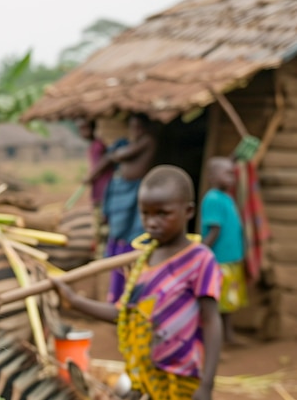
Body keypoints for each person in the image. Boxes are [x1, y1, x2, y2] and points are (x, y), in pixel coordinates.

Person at [53, 165, 223, 400]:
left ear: (189, 211)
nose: (152, 222)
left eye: (162, 214)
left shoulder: (200, 260)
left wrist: (206, 384)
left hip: (183, 378)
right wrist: (74, 300)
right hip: (144, 378)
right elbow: (122, 314)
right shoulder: (143, 261)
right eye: (145, 213)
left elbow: (212, 321)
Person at [97, 114, 158, 303]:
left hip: (135, 193)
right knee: (119, 238)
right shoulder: (131, 143)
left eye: (139, 126)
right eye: (133, 126)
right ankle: (116, 295)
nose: (136, 130)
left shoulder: (147, 141)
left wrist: (115, 153)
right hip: (124, 192)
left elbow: (121, 155)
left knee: (134, 240)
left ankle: (130, 297)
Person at [200, 156, 248, 346]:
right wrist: (200, 253)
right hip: (219, 262)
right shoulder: (212, 199)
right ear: (212, 177)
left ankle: (228, 336)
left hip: (231, 260)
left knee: (227, 304)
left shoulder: (226, 198)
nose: (232, 178)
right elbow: (214, 230)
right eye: (227, 173)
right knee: (216, 306)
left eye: (233, 173)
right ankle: (214, 343)